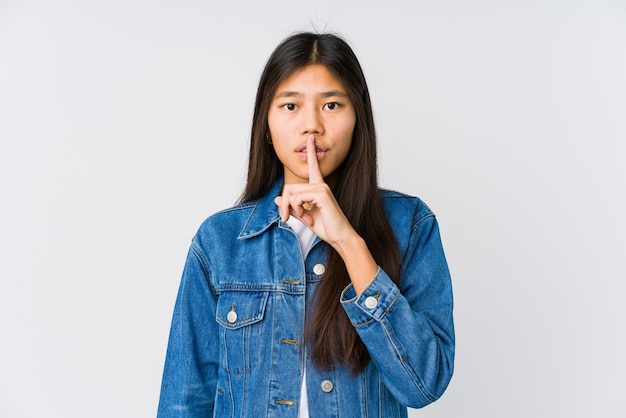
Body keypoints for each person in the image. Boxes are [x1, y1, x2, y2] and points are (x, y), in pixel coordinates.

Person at [157, 32, 454, 417]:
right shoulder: (219, 242)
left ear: (358, 119)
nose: (311, 125)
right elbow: (184, 400)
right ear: (266, 123)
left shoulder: (410, 225)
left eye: (331, 104)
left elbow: (424, 384)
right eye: (290, 106)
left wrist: (349, 242)